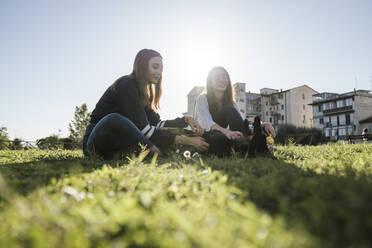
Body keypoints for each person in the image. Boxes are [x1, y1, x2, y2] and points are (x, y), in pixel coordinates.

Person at [82, 49, 208, 159]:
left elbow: (157, 124)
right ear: (142, 66)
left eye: (161, 69)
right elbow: (145, 130)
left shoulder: (143, 95)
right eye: (155, 66)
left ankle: (154, 151)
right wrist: (186, 140)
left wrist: (185, 119)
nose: (159, 72)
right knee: (114, 119)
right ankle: (155, 151)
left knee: (159, 133)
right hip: (95, 141)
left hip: (118, 142)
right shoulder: (127, 85)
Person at [194, 66, 276, 141]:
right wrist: (227, 132)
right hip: (205, 135)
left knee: (260, 128)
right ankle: (246, 142)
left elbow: (242, 122)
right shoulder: (202, 98)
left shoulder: (231, 103)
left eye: (224, 77)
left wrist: (262, 125)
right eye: (217, 78)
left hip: (222, 135)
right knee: (228, 109)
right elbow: (205, 123)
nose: (222, 80)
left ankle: (257, 140)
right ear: (210, 82)